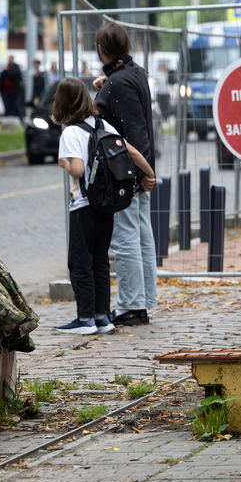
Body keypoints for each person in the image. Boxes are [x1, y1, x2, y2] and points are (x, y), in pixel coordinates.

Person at [53, 78, 155, 335]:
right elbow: (128, 149)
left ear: (61, 104)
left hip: (83, 206)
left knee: (79, 262)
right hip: (106, 205)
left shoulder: (70, 132)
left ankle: (85, 319)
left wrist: (62, 162)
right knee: (100, 260)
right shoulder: (101, 124)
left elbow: (76, 168)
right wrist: (148, 173)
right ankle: (103, 317)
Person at [93, 22, 158, 327]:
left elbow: (131, 131)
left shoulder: (117, 84)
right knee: (142, 234)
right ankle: (142, 302)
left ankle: (131, 304)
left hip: (124, 172)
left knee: (127, 238)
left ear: (100, 49)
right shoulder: (135, 73)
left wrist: (143, 170)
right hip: (139, 168)